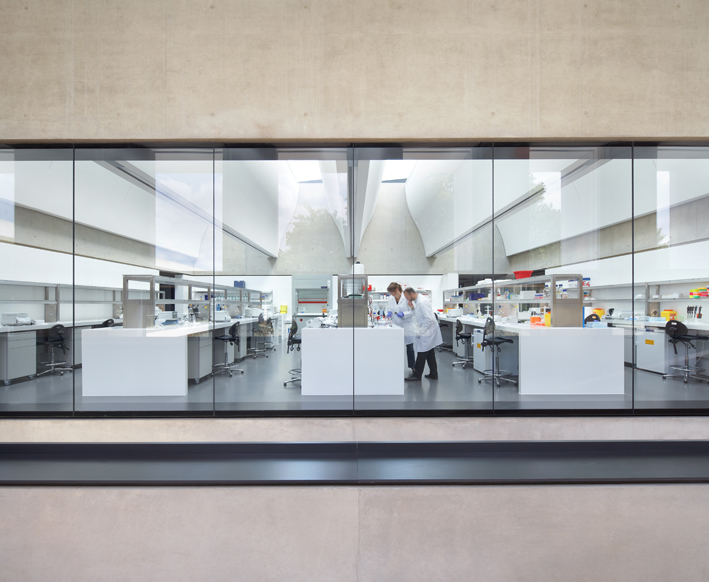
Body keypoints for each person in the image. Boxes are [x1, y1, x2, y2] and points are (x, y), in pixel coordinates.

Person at [403, 287, 442, 381]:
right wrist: (413, 308)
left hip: (429, 331)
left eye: (407, 297)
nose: (407, 299)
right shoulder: (419, 301)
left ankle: (417, 375)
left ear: (412, 294)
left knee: (422, 353)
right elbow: (420, 314)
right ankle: (433, 374)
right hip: (427, 330)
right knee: (430, 353)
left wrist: (420, 332)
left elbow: (429, 319)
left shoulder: (421, 302)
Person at [386, 282, 416, 374]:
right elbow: (389, 308)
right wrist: (389, 312)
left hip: (407, 325)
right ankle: (395, 365)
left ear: (397, 290)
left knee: (410, 347)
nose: (392, 294)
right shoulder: (391, 298)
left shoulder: (407, 298)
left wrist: (404, 314)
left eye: (393, 292)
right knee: (396, 346)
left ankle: (413, 367)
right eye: (390, 293)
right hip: (396, 325)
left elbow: (413, 311)